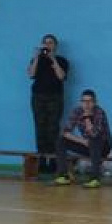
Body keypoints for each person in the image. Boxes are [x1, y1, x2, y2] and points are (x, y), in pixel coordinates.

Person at [51, 89, 112, 188]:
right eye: (84, 101)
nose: (86, 104)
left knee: (94, 140)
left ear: (95, 102)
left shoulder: (99, 112)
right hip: (88, 144)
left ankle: (95, 178)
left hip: (104, 146)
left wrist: (87, 118)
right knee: (61, 140)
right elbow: (65, 132)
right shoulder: (77, 111)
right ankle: (63, 176)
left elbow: (94, 134)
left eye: (89, 101)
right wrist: (82, 141)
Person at [28, 33, 69, 173]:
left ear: (55, 46)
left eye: (50, 43)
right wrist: (36, 57)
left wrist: (53, 60)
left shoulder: (62, 61)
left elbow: (61, 76)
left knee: (53, 129)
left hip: (55, 97)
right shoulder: (36, 60)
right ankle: (41, 161)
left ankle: (53, 160)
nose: (48, 45)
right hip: (38, 97)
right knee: (40, 128)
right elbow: (31, 74)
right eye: (45, 43)